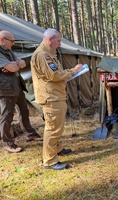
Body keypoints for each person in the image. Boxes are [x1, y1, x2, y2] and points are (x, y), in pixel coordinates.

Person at [31, 28, 83, 170]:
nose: (59, 44)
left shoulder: (49, 53)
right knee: (53, 128)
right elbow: (54, 76)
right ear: (50, 40)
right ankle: (49, 160)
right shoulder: (42, 55)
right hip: (51, 97)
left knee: (56, 125)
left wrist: (69, 73)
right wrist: (74, 71)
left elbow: (57, 73)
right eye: (58, 41)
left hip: (56, 95)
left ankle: (57, 148)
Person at [0, 30, 42, 153]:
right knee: (6, 116)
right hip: (5, 89)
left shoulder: (8, 51)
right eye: (11, 41)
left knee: (24, 110)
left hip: (16, 86)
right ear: (2, 40)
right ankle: (7, 143)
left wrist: (14, 64)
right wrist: (13, 65)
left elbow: (22, 63)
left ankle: (30, 134)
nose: (13, 44)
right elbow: (14, 67)